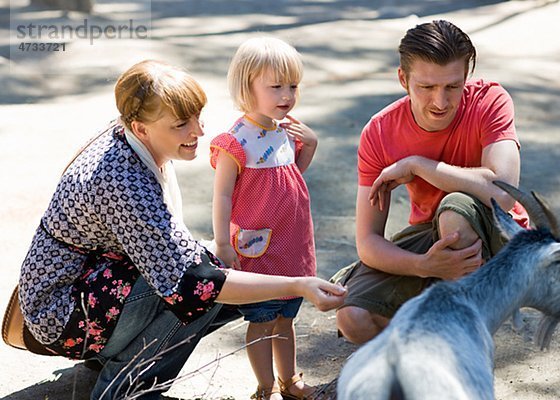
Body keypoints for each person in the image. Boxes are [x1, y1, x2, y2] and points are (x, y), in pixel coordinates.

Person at [17, 60, 345, 400]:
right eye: (180, 125)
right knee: (204, 284)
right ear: (140, 127)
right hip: (63, 313)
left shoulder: (128, 139)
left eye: (197, 117)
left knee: (224, 271)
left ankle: (113, 356)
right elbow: (192, 279)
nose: (199, 132)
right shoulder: (123, 183)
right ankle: (125, 386)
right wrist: (297, 284)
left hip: (85, 286)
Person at [332, 20, 528, 345]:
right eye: (426, 87)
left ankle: (459, 335)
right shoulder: (379, 132)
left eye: (453, 86)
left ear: (466, 77)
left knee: (454, 211)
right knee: (353, 317)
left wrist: (420, 165)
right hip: (432, 241)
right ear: (402, 78)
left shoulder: (490, 100)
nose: (440, 101)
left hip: (498, 237)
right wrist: (424, 266)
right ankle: (424, 351)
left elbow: (505, 194)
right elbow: (368, 242)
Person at [209, 37, 318, 400]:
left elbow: (293, 178)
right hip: (259, 250)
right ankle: (265, 386)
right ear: (247, 86)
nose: (287, 94)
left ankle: (289, 380)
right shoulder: (236, 141)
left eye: (293, 86)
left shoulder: (285, 129)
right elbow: (222, 195)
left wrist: (311, 146)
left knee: (286, 318)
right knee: (261, 319)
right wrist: (223, 242)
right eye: (276, 86)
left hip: (291, 246)